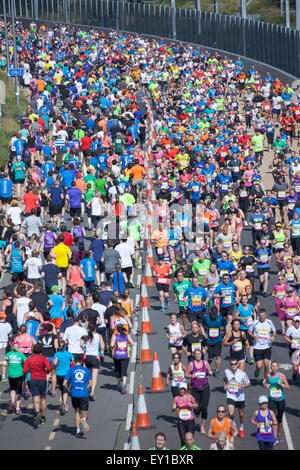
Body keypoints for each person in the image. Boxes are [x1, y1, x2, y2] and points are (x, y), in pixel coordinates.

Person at [22, 342, 51, 427]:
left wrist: (30, 371)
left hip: (33, 379)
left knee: (35, 397)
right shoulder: (44, 358)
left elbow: (24, 371)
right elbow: (49, 368)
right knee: (43, 399)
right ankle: (43, 418)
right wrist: (46, 372)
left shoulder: (29, 359)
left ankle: (37, 412)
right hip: (42, 379)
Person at [185, 348, 213, 434]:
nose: (198, 356)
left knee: (204, 407)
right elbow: (186, 375)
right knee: (197, 408)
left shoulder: (205, 363)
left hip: (205, 388)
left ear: (201, 355)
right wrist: (191, 375)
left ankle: (202, 426)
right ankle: (197, 412)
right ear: (194, 355)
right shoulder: (191, 365)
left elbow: (210, 371)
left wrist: (211, 372)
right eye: (196, 354)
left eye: (199, 354)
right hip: (195, 389)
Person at [63, 356, 92, 438]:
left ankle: (78, 430)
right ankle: (84, 419)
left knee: (76, 411)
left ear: (74, 362)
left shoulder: (70, 370)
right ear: (82, 362)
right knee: (85, 413)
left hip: (74, 394)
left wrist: (69, 390)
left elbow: (64, 383)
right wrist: (85, 389)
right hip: (83, 394)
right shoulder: (86, 370)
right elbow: (90, 383)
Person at [264, 360, 290, 445]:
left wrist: (281, 384)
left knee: (279, 418)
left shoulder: (281, 376)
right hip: (271, 399)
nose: (274, 368)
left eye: (275, 366)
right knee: (272, 417)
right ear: (271, 367)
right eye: (273, 366)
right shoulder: (268, 375)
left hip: (280, 400)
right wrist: (266, 385)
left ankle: (278, 434)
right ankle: (274, 436)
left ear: (277, 368)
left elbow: (288, 387)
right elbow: (265, 383)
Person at [223, 358, 250, 438]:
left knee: (241, 414)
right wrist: (225, 384)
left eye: (235, 364)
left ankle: (241, 427)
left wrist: (243, 386)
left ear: (237, 364)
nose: (233, 366)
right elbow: (225, 379)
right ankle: (234, 426)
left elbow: (248, 383)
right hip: (230, 395)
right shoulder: (227, 371)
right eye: (232, 364)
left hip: (240, 396)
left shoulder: (242, 373)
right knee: (231, 413)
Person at [248, 308, 277, 382]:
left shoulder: (269, 322)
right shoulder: (255, 323)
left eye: (263, 316)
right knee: (259, 365)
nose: (262, 317)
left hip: (267, 346)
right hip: (257, 347)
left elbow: (274, 332)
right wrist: (254, 336)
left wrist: (273, 336)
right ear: (259, 316)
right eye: (260, 316)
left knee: (267, 364)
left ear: (265, 315)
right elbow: (249, 331)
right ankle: (257, 370)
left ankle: (265, 379)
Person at [81, 324, 104, 401]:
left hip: (87, 357)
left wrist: (84, 349)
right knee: (94, 376)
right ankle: (92, 391)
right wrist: (101, 351)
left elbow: (81, 344)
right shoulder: (98, 336)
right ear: (95, 329)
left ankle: (87, 386)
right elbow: (102, 347)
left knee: (88, 374)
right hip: (95, 357)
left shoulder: (86, 336)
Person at [3, 340, 26, 415]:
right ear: (18, 347)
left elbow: (4, 364)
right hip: (19, 374)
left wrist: (3, 373)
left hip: (11, 375)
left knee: (12, 389)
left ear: (12, 347)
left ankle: (13, 401)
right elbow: (26, 362)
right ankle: (18, 408)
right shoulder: (21, 354)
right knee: (19, 391)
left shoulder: (8, 354)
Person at [171, 383, 198, 448]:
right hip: (181, 421)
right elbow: (172, 409)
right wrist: (174, 407)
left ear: (185, 390)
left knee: (190, 439)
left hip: (190, 421)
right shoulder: (176, 398)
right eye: (180, 389)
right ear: (178, 390)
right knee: (183, 439)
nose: (182, 391)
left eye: (183, 389)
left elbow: (196, 406)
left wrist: (192, 405)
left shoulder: (190, 397)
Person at [110, 324, 134, 394]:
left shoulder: (115, 336)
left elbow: (111, 345)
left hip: (117, 356)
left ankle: (119, 384)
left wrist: (114, 344)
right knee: (124, 370)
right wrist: (127, 344)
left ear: (117, 329)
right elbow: (132, 343)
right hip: (125, 355)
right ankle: (124, 384)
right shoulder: (127, 336)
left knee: (118, 370)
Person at [53, 339, 74, 414]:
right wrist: (69, 362)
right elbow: (73, 362)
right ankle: (64, 404)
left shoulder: (57, 354)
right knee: (65, 389)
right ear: (65, 347)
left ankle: (63, 402)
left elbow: (55, 363)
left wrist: (56, 365)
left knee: (62, 389)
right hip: (67, 374)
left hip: (59, 374)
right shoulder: (69, 354)